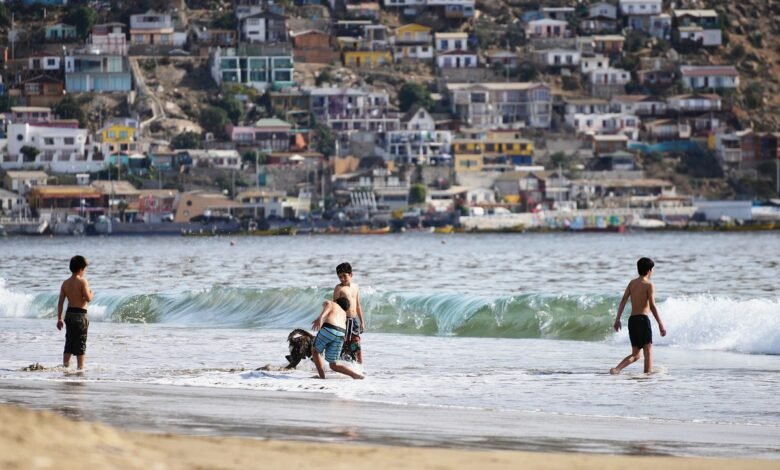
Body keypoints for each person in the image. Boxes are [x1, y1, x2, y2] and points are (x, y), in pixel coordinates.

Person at [610, 257, 666, 375]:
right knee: (648, 351)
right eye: (653, 269)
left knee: (636, 355)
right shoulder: (649, 285)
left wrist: (617, 319)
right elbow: (652, 306)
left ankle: (617, 369)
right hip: (643, 320)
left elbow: (623, 301)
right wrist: (661, 324)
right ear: (649, 270)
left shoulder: (632, 283)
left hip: (632, 320)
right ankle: (647, 375)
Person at [311, 297, 363, 379]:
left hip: (329, 328)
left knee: (315, 351)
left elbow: (327, 305)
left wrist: (320, 318)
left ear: (336, 301)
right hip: (341, 333)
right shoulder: (344, 313)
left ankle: (322, 376)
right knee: (333, 364)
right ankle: (355, 375)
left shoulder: (332, 303)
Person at [56, 255, 94, 370]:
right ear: (81, 268)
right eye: (85, 269)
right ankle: (80, 368)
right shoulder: (82, 281)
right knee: (81, 342)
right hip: (81, 315)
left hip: (69, 314)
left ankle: (66, 366)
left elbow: (60, 303)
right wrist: (92, 293)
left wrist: (59, 318)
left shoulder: (65, 283)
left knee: (69, 341)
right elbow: (88, 298)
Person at [333, 262, 365, 364]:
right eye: (340, 277)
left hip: (354, 321)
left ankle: (360, 368)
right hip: (344, 321)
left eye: (344, 276)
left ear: (351, 274)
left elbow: (358, 305)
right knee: (344, 346)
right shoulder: (339, 288)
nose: (342, 279)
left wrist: (362, 322)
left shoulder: (355, 287)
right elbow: (334, 306)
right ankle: (341, 367)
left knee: (356, 345)